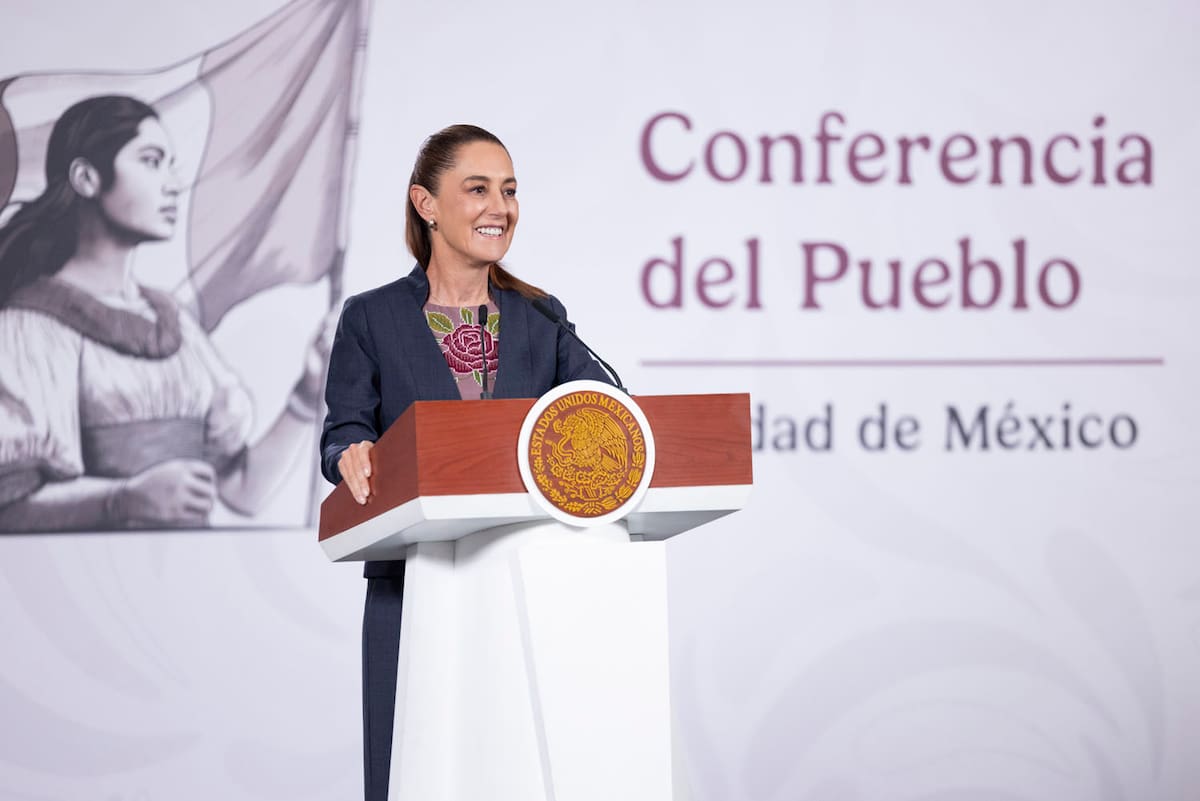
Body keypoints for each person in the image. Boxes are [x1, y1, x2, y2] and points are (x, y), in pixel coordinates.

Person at [319, 124, 611, 801]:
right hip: (411, 585)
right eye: (477, 188)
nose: (499, 208)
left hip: (529, 582)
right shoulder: (371, 319)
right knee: (410, 772)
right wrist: (350, 455)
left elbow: (601, 411)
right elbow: (344, 431)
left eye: (508, 191)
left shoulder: (543, 318)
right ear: (426, 203)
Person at [0, 94, 329, 531]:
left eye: (171, 164)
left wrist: (308, 395)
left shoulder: (172, 322)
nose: (173, 183)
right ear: (86, 178)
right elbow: (10, 507)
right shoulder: (31, 327)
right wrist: (124, 499)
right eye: (152, 161)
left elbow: (242, 491)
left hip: (186, 583)